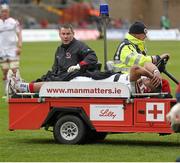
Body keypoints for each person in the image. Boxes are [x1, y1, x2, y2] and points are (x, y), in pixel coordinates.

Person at [7, 62, 162, 94]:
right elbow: (147, 63)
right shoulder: (140, 82)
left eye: (149, 80)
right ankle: (22, 86)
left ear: (149, 86)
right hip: (100, 79)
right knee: (61, 80)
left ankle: (21, 87)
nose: (146, 78)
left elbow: (136, 68)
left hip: (92, 84)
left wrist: (150, 74)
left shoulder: (137, 86)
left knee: (57, 85)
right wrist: (155, 72)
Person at [111, 21, 171, 93]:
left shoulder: (137, 46)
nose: (146, 36)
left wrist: (155, 68)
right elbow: (139, 61)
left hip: (134, 76)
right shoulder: (125, 46)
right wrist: (156, 58)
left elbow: (143, 64)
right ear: (136, 34)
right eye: (144, 34)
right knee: (156, 84)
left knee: (163, 83)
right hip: (123, 78)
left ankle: (166, 102)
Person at [0, 4, 22, 97]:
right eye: (2, 11)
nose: (4, 13)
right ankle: (7, 91)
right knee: (4, 71)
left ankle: (18, 89)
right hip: (1, 50)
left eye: (6, 11)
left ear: (8, 12)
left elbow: (19, 33)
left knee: (14, 69)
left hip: (12, 50)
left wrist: (19, 45)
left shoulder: (13, 22)